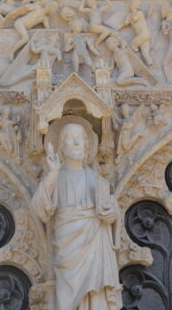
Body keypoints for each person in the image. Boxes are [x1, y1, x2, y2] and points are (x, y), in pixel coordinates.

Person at [31, 123, 121, 310]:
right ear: (61, 146)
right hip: (67, 250)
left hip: (95, 246)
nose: (77, 142)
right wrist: (52, 174)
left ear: (88, 145)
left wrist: (112, 214)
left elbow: (110, 208)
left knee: (95, 294)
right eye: (71, 138)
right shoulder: (56, 177)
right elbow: (39, 208)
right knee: (65, 299)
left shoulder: (97, 180)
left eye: (80, 138)